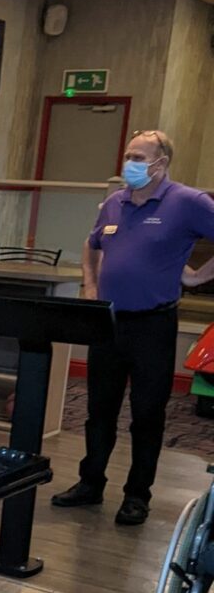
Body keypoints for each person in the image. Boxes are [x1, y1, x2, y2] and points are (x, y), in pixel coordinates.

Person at [52, 129, 214, 526]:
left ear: (161, 163)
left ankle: (137, 495)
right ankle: (90, 483)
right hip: (108, 323)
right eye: (128, 155)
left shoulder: (187, 201)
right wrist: (90, 285)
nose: (130, 164)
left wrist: (196, 277)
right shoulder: (114, 203)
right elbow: (92, 244)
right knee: (99, 410)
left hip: (153, 324)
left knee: (147, 413)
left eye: (139, 158)